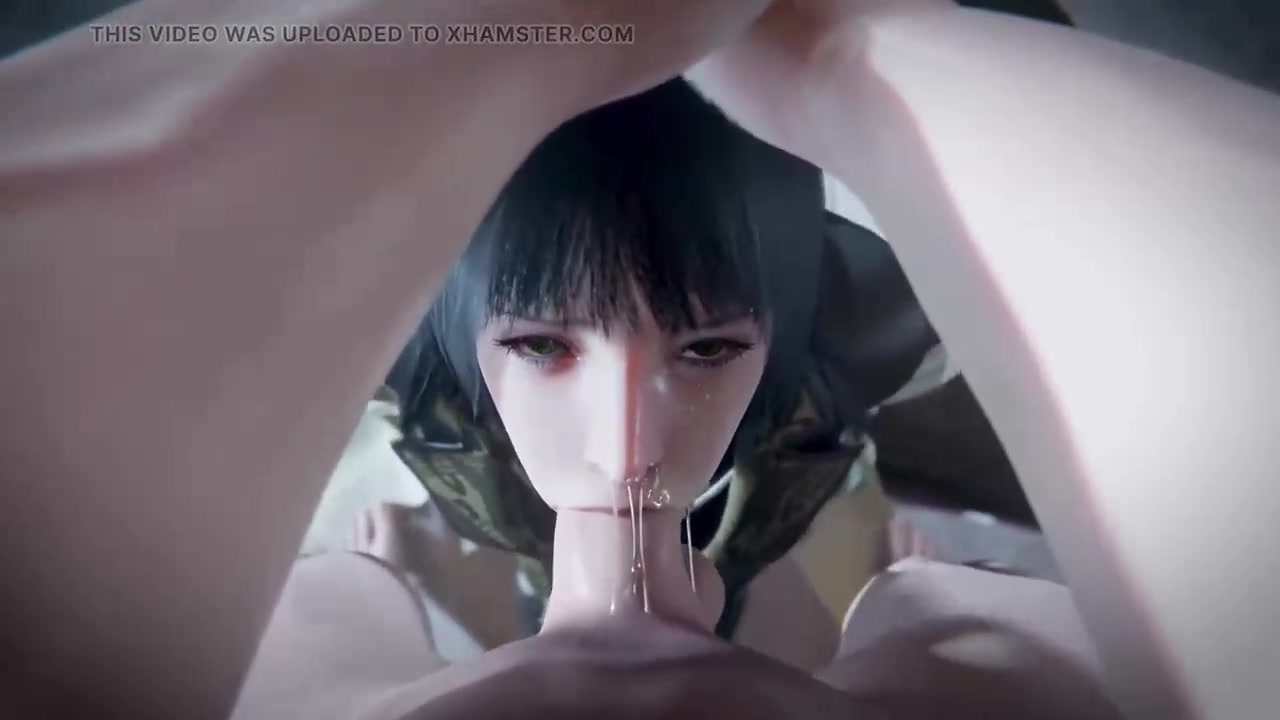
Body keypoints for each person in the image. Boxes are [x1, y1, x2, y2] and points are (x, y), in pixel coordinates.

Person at [2, 1, 1277, 719]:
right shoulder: (431, 407)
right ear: (470, 336)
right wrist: (836, 59)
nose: (624, 444)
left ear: (778, 326)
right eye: (544, 343)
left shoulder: (818, 396)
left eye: (705, 343)